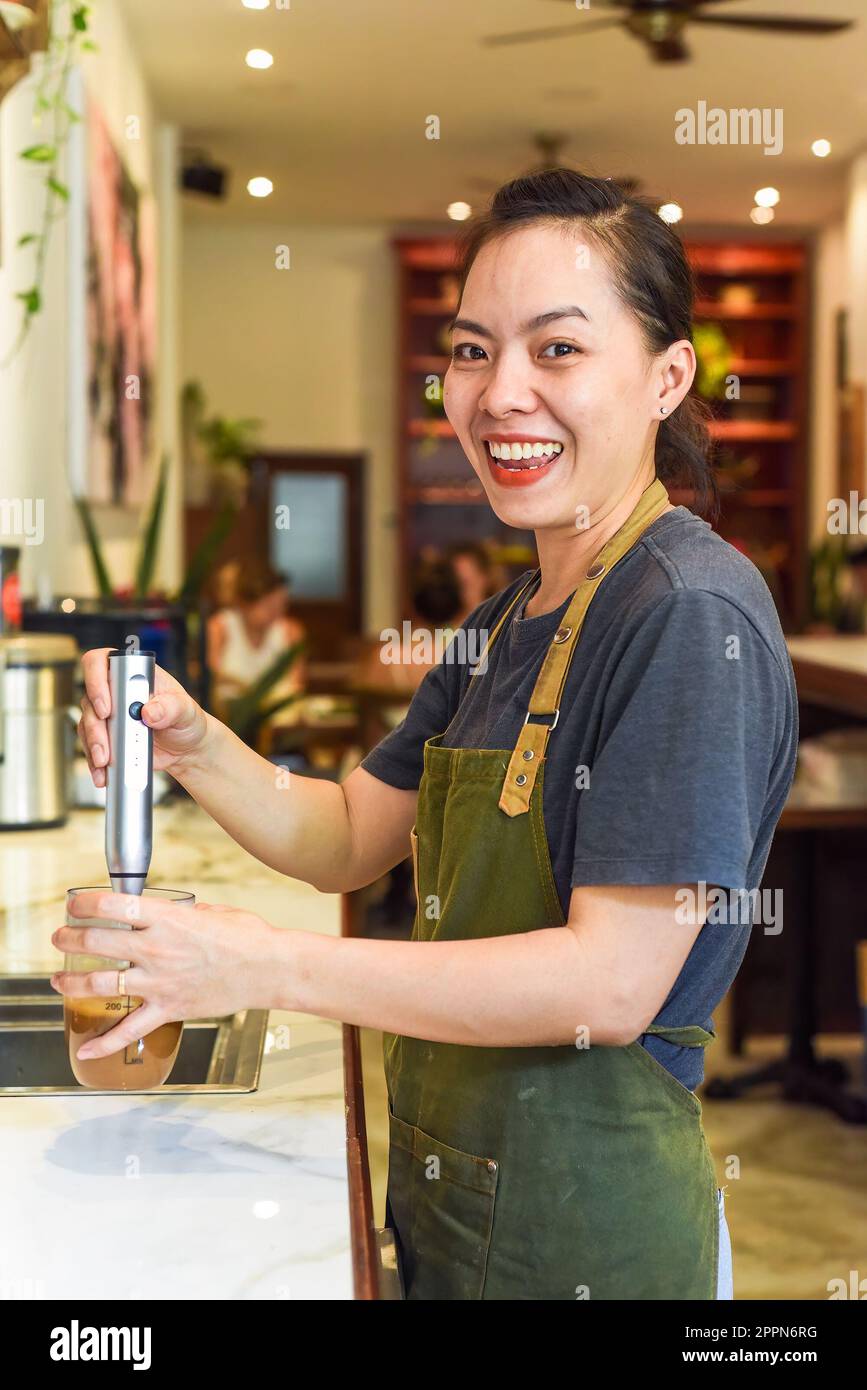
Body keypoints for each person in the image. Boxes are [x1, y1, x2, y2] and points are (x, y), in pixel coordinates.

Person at [65, 169, 797, 1300]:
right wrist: (192, 739)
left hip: (588, 1241)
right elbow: (355, 831)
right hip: (460, 1208)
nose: (503, 392)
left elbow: (610, 984)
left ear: (667, 376)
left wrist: (261, 964)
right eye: (471, 349)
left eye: (557, 349)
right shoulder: (506, 619)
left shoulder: (688, 614)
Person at [206, 563, 306, 716]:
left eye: (282, 605)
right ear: (245, 604)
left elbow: (297, 684)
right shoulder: (220, 627)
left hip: (278, 719)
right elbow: (210, 677)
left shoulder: (291, 631)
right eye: (269, 607)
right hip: (228, 718)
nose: (276, 613)